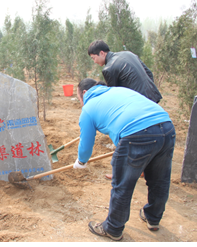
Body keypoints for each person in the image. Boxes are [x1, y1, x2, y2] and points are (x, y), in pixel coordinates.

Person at [73, 78, 175, 241]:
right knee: (159, 180)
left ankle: (113, 228)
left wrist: (81, 161)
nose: (80, 102)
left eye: (79, 98)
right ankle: (153, 218)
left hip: (136, 133)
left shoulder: (88, 108)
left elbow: (86, 143)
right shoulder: (119, 91)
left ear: (84, 93)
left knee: (123, 185)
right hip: (166, 127)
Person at [88, 40, 162, 179]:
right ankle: (144, 169)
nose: (94, 61)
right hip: (151, 97)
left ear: (102, 53)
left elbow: (115, 96)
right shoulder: (128, 54)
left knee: (126, 135)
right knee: (148, 137)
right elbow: (149, 73)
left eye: (94, 58)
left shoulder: (108, 69)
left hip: (138, 106)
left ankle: (121, 171)